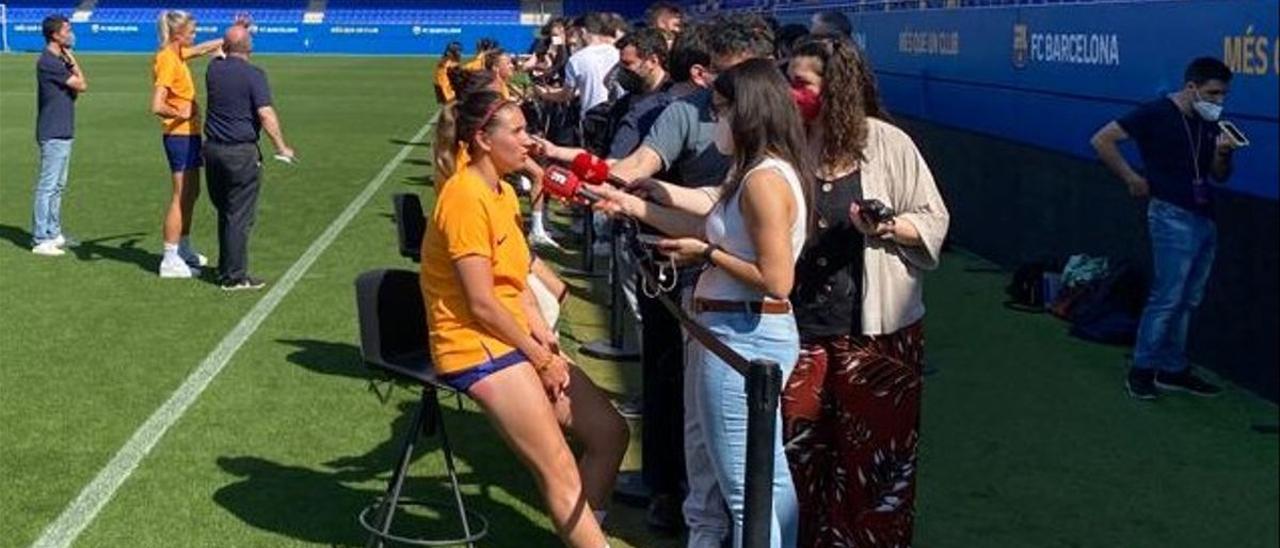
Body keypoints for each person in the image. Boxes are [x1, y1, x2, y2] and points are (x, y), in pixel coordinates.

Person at [594, 58, 813, 548]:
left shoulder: (763, 180)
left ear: (748, 111)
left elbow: (776, 279)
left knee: (745, 488)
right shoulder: (753, 171)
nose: (716, 121)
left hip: (742, 335)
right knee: (752, 479)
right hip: (727, 331)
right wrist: (638, 201)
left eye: (721, 110)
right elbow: (709, 219)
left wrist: (707, 254)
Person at [420, 89, 628, 547]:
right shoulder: (464, 197)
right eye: (517, 132)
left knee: (611, 432)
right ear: (483, 139)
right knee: (559, 469)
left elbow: (515, 285)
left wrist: (544, 340)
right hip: (475, 346)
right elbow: (482, 304)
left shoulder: (501, 192)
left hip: (510, 338)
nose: (529, 141)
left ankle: (582, 535)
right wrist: (539, 357)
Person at [780, 34, 950, 547]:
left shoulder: (889, 144)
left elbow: (933, 219)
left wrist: (886, 227)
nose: (793, 93)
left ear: (837, 88)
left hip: (877, 338)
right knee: (797, 456)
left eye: (802, 83)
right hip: (800, 330)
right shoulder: (788, 142)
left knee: (878, 467)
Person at [1090, 57, 1239, 400]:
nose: (1218, 101)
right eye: (1212, 93)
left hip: (1205, 216)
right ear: (1191, 88)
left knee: (1189, 299)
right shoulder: (1155, 113)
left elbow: (1219, 175)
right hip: (1171, 214)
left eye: (1223, 95)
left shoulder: (1208, 122)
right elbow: (1102, 140)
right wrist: (1131, 178)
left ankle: (1172, 368)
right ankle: (1141, 370)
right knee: (1168, 296)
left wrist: (1224, 155)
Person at [203, 25, 294, 291]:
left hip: (213, 151)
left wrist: (235, 33)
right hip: (240, 153)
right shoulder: (254, 75)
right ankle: (234, 276)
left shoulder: (214, 69)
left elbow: (218, 51)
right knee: (239, 216)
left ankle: (225, 268)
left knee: (226, 212)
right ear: (247, 46)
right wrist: (281, 146)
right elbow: (266, 114)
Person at [151, 10, 235, 278]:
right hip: (178, 136)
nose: (195, 35)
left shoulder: (178, 53)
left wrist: (230, 36)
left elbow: (199, 49)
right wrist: (181, 113)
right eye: (191, 31)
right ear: (178, 34)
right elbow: (156, 104)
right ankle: (169, 258)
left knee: (192, 192)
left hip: (190, 135)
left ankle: (183, 247)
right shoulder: (167, 59)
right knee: (180, 195)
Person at [30, 14, 87, 257]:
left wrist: (68, 56)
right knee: (48, 186)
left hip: (62, 129)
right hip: (52, 130)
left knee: (58, 186)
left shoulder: (58, 59)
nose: (70, 33)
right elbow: (82, 84)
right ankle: (40, 238)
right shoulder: (49, 62)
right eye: (67, 29)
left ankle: (53, 232)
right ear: (55, 34)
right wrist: (71, 57)